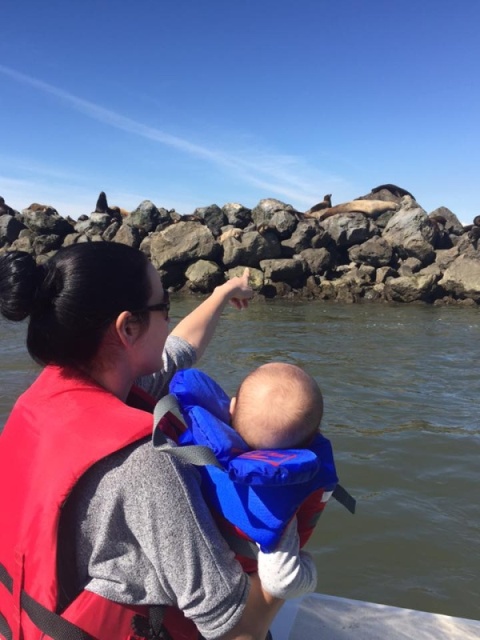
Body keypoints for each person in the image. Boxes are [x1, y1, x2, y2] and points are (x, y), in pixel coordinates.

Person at [0, 242, 316, 640]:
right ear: (128, 328)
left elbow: (176, 352)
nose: (170, 318)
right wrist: (282, 575)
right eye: (164, 306)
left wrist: (221, 295)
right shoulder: (147, 465)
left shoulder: (45, 399)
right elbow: (239, 631)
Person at [156, 363, 343, 576]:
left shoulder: (203, 448)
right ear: (313, 438)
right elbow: (280, 582)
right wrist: (306, 570)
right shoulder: (278, 499)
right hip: (237, 575)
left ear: (232, 407)